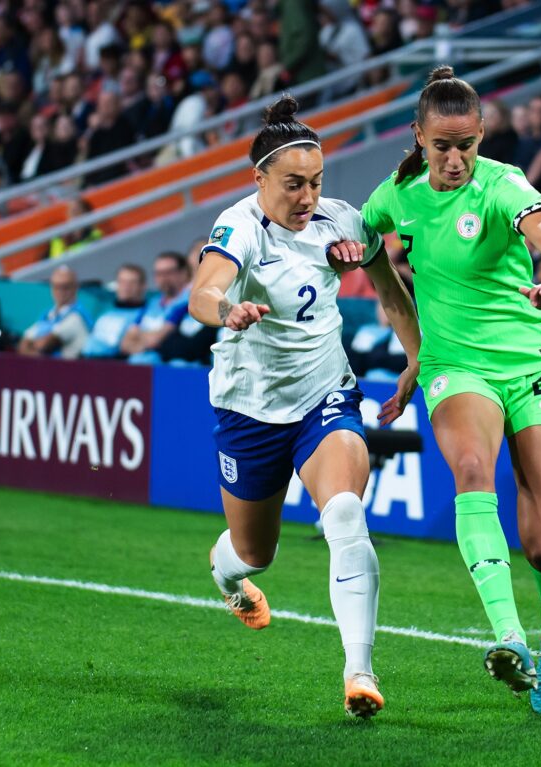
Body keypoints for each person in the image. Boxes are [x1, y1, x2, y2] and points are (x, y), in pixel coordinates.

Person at [353, 66, 541, 716]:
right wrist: (416, 352)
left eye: (468, 146)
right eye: (442, 146)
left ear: (481, 138)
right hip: (456, 366)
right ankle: (510, 638)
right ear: (419, 137)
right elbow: (370, 251)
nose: (455, 160)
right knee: (473, 471)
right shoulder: (396, 196)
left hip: (533, 358)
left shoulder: (503, 184)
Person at [188, 96, 421, 718]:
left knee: (345, 512)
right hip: (250, 410)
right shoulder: (238, 226)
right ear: (258, 179)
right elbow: (203, 291)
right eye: (293, 184)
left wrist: (417, 357)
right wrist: (227, 310)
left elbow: (392, 293)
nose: (307, 197)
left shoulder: (340, 222)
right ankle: (226, 573)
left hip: (325, 395)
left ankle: (360, 672)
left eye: (316, 182)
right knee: (255, 551)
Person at [120, 251, 191, 360]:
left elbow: (156, 340)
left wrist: (139, 337)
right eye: (159, 273)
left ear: (183, 273)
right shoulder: (151, 303)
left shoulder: (187, 302)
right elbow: (125, 342)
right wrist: (145, 340)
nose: (163, 278)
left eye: (168, 272)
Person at [17, 265, 92, 358]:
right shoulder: (48, 315)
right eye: (56, 286)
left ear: (75, 287)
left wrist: (32, 347)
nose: (60, 291)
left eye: (65, 287)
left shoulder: (77, 317)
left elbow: (45, 345)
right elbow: (23, 343)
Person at [81, 264, 147, 359]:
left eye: (132, 283)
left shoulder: (146, 315)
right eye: (122, 282)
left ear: (143, 286)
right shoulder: (105, 313)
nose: (126, 287)